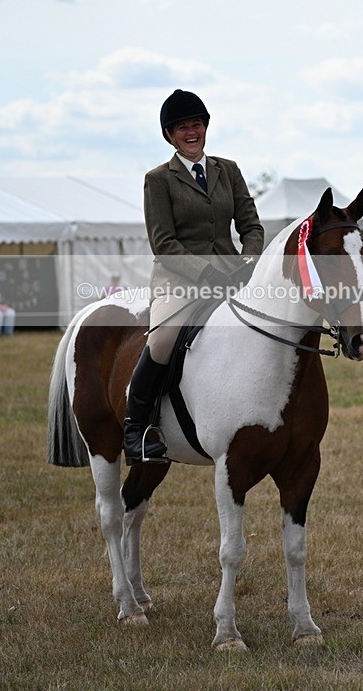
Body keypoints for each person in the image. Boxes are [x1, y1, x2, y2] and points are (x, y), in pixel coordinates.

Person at [123, 89, 264, 463]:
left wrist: (248, 261)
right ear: (170, 134)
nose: (191, 131)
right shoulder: (158, 179)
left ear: (205, 128)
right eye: (182, 127)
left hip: (232, 273)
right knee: (164, 340)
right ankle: (136, 426)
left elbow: (251, 225)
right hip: (178, 277)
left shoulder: (228, 170)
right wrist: (204, 274)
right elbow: (163, 243)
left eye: (196, 124)